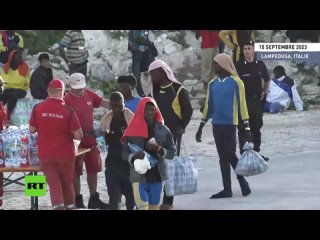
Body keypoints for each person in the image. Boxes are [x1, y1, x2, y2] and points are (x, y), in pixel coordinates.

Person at [195, 53, 252, 199]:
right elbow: (209, 106)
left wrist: (247, 127)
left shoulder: (236, 82)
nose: (215, 67)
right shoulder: (212, 83)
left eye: (217, 64)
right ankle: (227, 189)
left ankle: (242, 181)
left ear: (225, 65)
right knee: (222, 157)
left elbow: (242, 105)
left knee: (230, 154)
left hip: (230, 124)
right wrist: (201, 127)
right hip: (217, 125)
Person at [29, 79, 83, 210]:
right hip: (65, 154)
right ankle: (70, 206)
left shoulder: (38, 108)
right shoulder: (69, 111)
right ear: (62, 93)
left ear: (48, 92)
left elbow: (31, 130)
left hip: (46, 154)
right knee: (67, 183)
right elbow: (79, 135)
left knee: (54, 184)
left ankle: (56, 206)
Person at [148, 59, 193, 210]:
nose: (152, 78)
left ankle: (168, 201)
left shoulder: (178, 89)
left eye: (154, 74)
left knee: (169, 166)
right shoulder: (153, 90)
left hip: (173, 134)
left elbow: (188, 110)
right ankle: (154, 198)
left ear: (163, 72)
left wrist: (182, 126)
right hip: (155, 134)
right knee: (154, 165)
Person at [64, 72, 110, 209]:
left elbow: (103, 103)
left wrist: (118, 103)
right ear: (70, 86)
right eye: (76, 87)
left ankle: (94, 197)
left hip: (91, 138)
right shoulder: (66, 100)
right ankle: (78, 199)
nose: (79, 90)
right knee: (76, 170)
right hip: (75, 140)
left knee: (93, 168)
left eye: (81, 87)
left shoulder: (90, 94)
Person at [121, 97, 176, 210]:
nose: (150, 112)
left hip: (158, 176)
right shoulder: (131, 130)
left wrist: (158, 148)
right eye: (147, 109)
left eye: (152, 109)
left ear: (156, 110)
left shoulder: (163, 130)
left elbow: (172, 154)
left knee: (154, 208)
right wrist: (135, 156)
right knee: (142, 208)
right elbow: (124, 153)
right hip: (138, 178)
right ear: (141, 110)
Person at [235, 41, 270, 159]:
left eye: (249, 48)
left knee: (256, 126)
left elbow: (267, 79)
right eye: (244, 48)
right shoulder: (238, 65)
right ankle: (244, 154)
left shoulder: (259, 64)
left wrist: (265, 92)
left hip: (256, 101)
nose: (247, 51)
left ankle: (256, 152)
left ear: (254, 50)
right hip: (243, 101)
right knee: (242, 127)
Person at [100, 92, 134, 210]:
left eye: (119, 106)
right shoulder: (106, 119)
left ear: (123, 104)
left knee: (130, 194)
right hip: (112, 160)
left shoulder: (130, 117)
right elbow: (103, 138)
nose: (117, 110)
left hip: (127, 160)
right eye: (113, 107)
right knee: (113, 194)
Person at [0, 50, 30, 119]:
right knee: (2, 96)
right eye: (16, 57)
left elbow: (27, 82)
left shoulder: (24, 67)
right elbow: (3, 81)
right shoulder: (6, 67)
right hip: (9, 89)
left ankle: (8, 115)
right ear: (11, 58)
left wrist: (13, 84)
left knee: (13, 96)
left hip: (21, 90)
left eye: (19, 57)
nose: (18, 59)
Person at [128, 30, 156, 97]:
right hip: (137, 54)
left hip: (146, 53)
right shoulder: (133, 32)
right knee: (137, 75)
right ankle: (142, 94)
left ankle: (153, 92)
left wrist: (150, 44)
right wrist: (149, 43)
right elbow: (137, 39)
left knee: (154, 70)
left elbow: (145, 38)